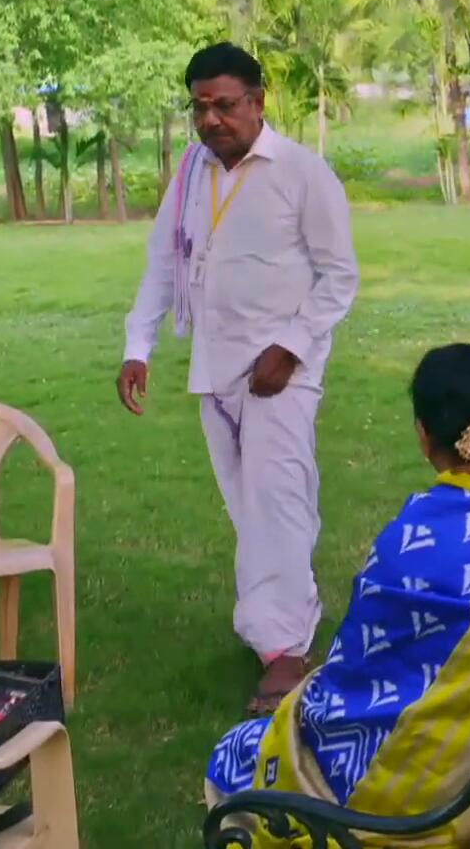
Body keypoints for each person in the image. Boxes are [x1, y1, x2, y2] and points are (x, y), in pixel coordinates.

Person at [203, 344, 470, 843]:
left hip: (433, 803)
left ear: (424, 435)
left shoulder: (415, 540)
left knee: (237, 753)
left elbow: (352, 686)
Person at [119, 41, 360, 716]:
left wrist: (290, 347)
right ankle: (272, 625)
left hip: (282, 372)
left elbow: (340, 277)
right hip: (215, 366)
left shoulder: (302, 173)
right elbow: (164, 260)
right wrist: (139, 345)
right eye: (200, 107)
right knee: (248, 506)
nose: (211, 120)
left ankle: (286, 651)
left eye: (225, 105)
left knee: (279, 500)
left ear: (257, 102)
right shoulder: (192, 171)